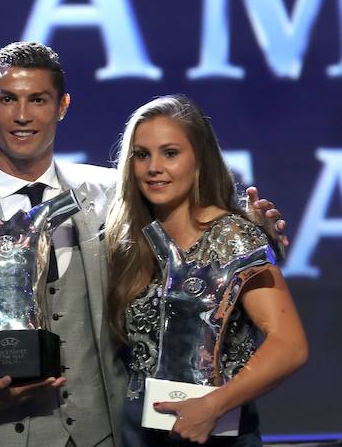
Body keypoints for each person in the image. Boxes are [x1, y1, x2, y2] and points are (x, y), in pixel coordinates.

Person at [0, 43, 287, 447]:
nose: (23, 116)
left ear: (63, 106)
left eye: (38, 100)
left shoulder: (115, 194)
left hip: (106, 435)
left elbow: (195, 254)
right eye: (8, 99)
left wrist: (255, 239)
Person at [104, 94, 308, 446]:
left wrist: (212, 406)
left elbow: (290, 346)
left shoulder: (234, 236)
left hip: (215, 431)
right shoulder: (129, 240)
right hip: (140, 435)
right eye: (142, 155)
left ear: (199, 160)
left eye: (170, 153)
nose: (153, 167)